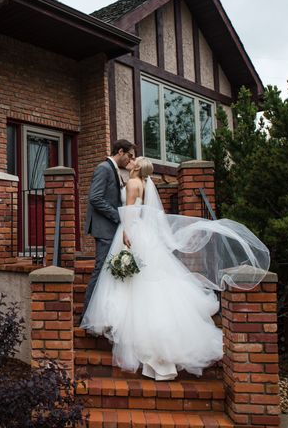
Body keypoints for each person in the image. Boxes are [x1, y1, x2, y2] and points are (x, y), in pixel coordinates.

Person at [81, 157, 270, 380]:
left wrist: (125, 234)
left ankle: (135, 334)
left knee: (131, 278)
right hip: (145, 234)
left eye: (134, 160)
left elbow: (130, 212)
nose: (130, 161)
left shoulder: (133, 183)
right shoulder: (143, 182)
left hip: (131, 231)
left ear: (138, 167)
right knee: (147, 278)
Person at [82, 139, 136, 317]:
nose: (130, 159)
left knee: (106, 271)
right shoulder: (103, 168)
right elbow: (95, 198)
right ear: (120, 152)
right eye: (129, 155)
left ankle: (102, 312)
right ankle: (87, 315)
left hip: (111, 228)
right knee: (100, 270)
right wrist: (118, 216)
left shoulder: (115, 171)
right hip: (104, 228)